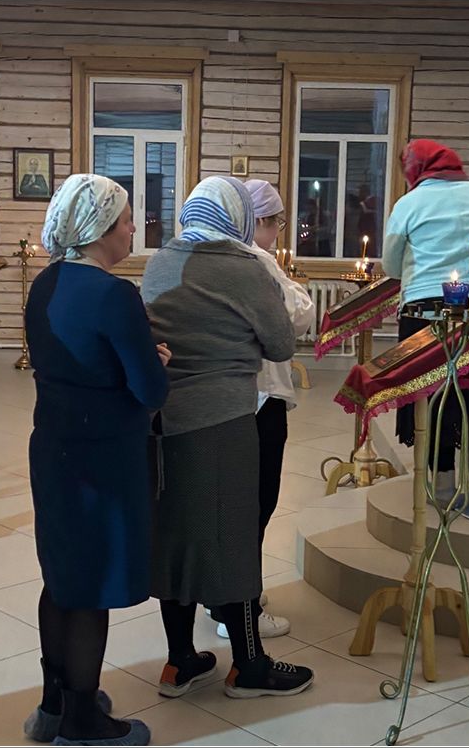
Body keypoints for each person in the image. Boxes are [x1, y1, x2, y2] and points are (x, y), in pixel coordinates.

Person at [141, 176, 315, 700]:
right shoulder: (243, 266)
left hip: (163, 419)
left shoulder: (161, 261)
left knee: (175, 535)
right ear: (238, 217)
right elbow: (281, 344)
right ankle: (249, 666)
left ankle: (180, 662)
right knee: (234, 538)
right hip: (223, 419)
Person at [24, 174, 169, 746]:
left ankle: (54, 703)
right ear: (101, 229)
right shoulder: (114, 294)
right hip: (104, 456)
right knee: (92, 584)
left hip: (54, 447)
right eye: (127, 220)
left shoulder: (45, 282)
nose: (134, 228)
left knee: (62, 575)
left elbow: (77, 359)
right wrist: (156, 360)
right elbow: (149, 389)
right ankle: (84, 719)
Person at [383, 139, 469, 498]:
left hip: (427, 305)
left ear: (415, 169)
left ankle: (443, 477)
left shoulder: (409, 203)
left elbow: (391, 265)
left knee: (435, 388)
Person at [206, 179, 314, 641]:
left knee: (230, 504)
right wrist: (295, 289)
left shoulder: (212, 256)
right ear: (261, 221)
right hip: (260, 398)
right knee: (255, 504)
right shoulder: (258, 260)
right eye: (277, 223)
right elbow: (298, 317)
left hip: (224, 399)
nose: (277, 233)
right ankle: (239, 610)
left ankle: (227, 597)